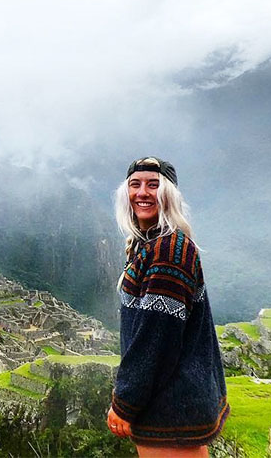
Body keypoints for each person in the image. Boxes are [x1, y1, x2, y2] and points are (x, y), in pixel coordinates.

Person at [106, 157, 230, 457]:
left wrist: (125, 402)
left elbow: (156, 339)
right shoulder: (149, 245)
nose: (143, 193)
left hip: (171, 406)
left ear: (169, 194)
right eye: (135, 185)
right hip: (172, 402)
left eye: (154, 184)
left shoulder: (168, 250)